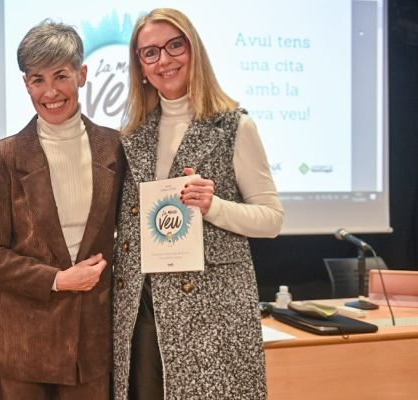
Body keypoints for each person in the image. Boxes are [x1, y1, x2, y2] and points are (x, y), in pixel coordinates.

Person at [112, 8, 285, 400]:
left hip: (213, 313)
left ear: (195, 51)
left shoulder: (234, 126)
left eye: (175, 45)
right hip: (143, 310)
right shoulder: (131, 135)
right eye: (150, 52)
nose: (164, 60)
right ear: (140, 67)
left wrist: (214, 206)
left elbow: (272, 219)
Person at [0, 21, 123, 400]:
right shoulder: (5, 154)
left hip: (89, 345)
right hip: (22, 345)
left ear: (82, 75)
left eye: (61, 76)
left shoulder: (116, 148)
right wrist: (57, 279)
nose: (50, 91)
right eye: (37, 79)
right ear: (25, 84)